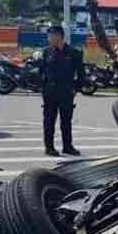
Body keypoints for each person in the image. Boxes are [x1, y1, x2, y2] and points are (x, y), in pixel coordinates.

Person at [38, 25, 85, 156]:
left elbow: (81, 72)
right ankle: (49, 147)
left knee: (66, 121)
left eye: (50, 36)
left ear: (59, 36)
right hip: (50, 92)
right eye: (48, 36)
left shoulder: (74, 52)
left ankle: (68, 147)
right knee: (49, 121)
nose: (49, 38)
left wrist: (77, 88)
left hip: (66, 91)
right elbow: (41, 71)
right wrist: (43, 87)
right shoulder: (47, 52)